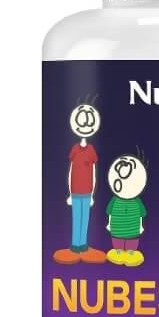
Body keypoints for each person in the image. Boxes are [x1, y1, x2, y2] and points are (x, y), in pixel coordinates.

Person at [53, 101, 106, 264]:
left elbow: (94, 173)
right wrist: (70, 193)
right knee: (76, 217)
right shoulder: (75, 149)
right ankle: (75, 244)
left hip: (87, 191)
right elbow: (70, 171)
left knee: (85, 218)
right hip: (75, 191)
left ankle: (83, 244)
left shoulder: (91, 150)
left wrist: (93, 194)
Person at [105, 154, 148, 267]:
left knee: (132, 241)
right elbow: (109, 212)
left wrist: (140, 226)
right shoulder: (115, 200)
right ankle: (118, 250)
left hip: (133, 228)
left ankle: (131, 251)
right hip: (117, 227)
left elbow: (141, 214)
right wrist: (109, 224)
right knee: (117, 239)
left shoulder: (137, 201)